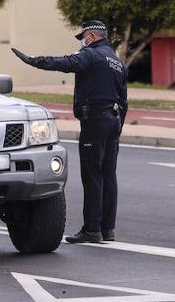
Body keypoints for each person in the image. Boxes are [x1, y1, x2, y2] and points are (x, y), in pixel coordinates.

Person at [13, 20, 128, 245]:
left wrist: (33, 61)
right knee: (108, 174)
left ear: (93, 37)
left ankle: (92, 230)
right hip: (113, 120)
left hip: (95, 120)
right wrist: (118, 126)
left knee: (92, 174)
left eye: (83, 37)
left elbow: (64, 63)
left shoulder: (92, 55)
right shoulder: (117, 61)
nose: (82, 42)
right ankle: (107, 229)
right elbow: (124, 100)